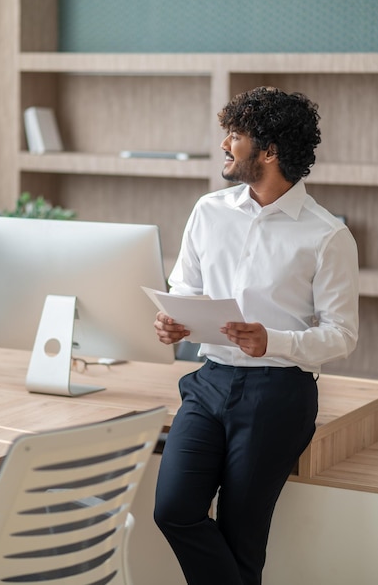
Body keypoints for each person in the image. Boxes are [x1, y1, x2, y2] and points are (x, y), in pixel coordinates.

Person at [153, 86, 359, 585]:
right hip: (208, 383)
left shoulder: (327, 235)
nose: (225, 145)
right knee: (173, 509)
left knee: (243, 537)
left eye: (235, 136)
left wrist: (276, 341)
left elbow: (342, 335)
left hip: (277, 394)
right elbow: (186, 287)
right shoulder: (209, 211)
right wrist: (172, 319)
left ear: (269, 152)